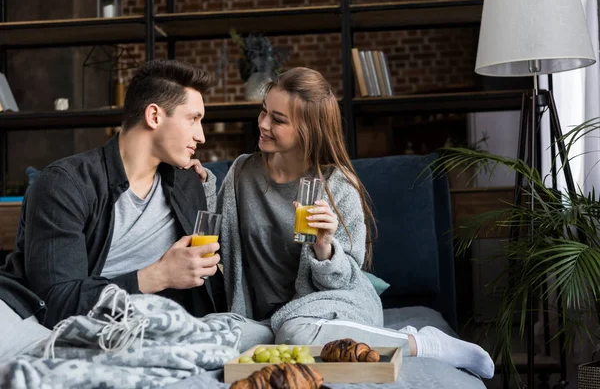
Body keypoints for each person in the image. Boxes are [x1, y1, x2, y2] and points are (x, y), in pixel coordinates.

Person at [217, 67, 495, 379]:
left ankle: (422, 343)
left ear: (309, 129)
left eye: (278, 120)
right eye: (264, 111)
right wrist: (193, 181)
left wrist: (324, 248)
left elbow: (344, 278)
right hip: (268, 320)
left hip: (335, 304)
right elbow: (216, 237)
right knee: (216, 335)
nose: (263, 124)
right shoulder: (241, 173)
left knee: (294, 333)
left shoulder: (337, 185)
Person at [0, 59, 224, 363]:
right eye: (193, 119)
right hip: (34, 317)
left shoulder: (187, 182)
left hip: (137, 324)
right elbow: (56, 304)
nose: (201, 136)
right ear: (154, 116)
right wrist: (158, 275)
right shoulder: (65, 184)